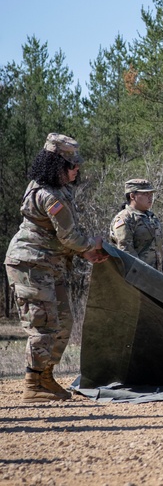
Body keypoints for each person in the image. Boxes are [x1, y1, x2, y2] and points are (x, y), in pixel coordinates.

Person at [4, 133, 109, 403]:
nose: (77, 170)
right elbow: (69, 236)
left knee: (63, 323)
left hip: (49, 264)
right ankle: (32, 383)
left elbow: (65, 237)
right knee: (43, 326)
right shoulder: (48, 195)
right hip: (30, 264)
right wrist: (91, 245)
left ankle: (45, 377)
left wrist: (85, 252)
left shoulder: (59, 190)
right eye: (71, 166)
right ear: (56, 166)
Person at [109, 178, 163, 269]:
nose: (150, 197)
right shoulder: (125, 219)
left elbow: (158, 250)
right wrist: (140, 275)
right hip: (138, 277)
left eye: (151, 194)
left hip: (157, 277)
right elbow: (126, 253)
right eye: (145, 194)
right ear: (132, 196)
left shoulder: (151, 217)